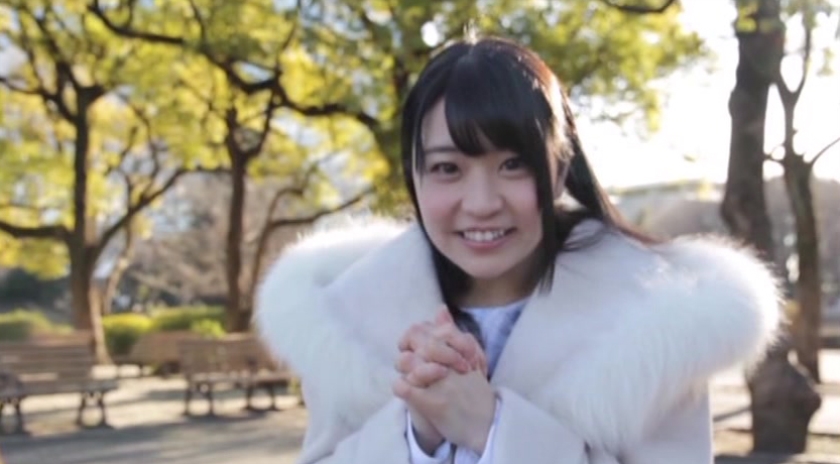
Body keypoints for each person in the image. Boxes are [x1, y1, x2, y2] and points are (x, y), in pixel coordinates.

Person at [255, 35, 781, 464]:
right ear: (413, 178)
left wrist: (492, 428)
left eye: (513, 165)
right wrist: (417, 433)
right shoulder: (348, 319)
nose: (482, 204)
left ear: (560, 169)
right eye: (447, 168)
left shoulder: (656, 323)